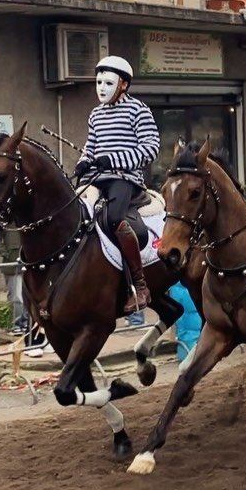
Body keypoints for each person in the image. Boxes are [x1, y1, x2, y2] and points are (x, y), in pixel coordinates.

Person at [74, 55, 160, 315]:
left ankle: (140, 285)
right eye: (98, 82)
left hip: (126, 180)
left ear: (123, 84)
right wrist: (84, 161)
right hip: (98, 178)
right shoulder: (95, 114)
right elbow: (91, 147)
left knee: (113, 218)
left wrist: (113, 159)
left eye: (108, 83)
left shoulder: (139, 110)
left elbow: (150, 149)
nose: (101, 88)